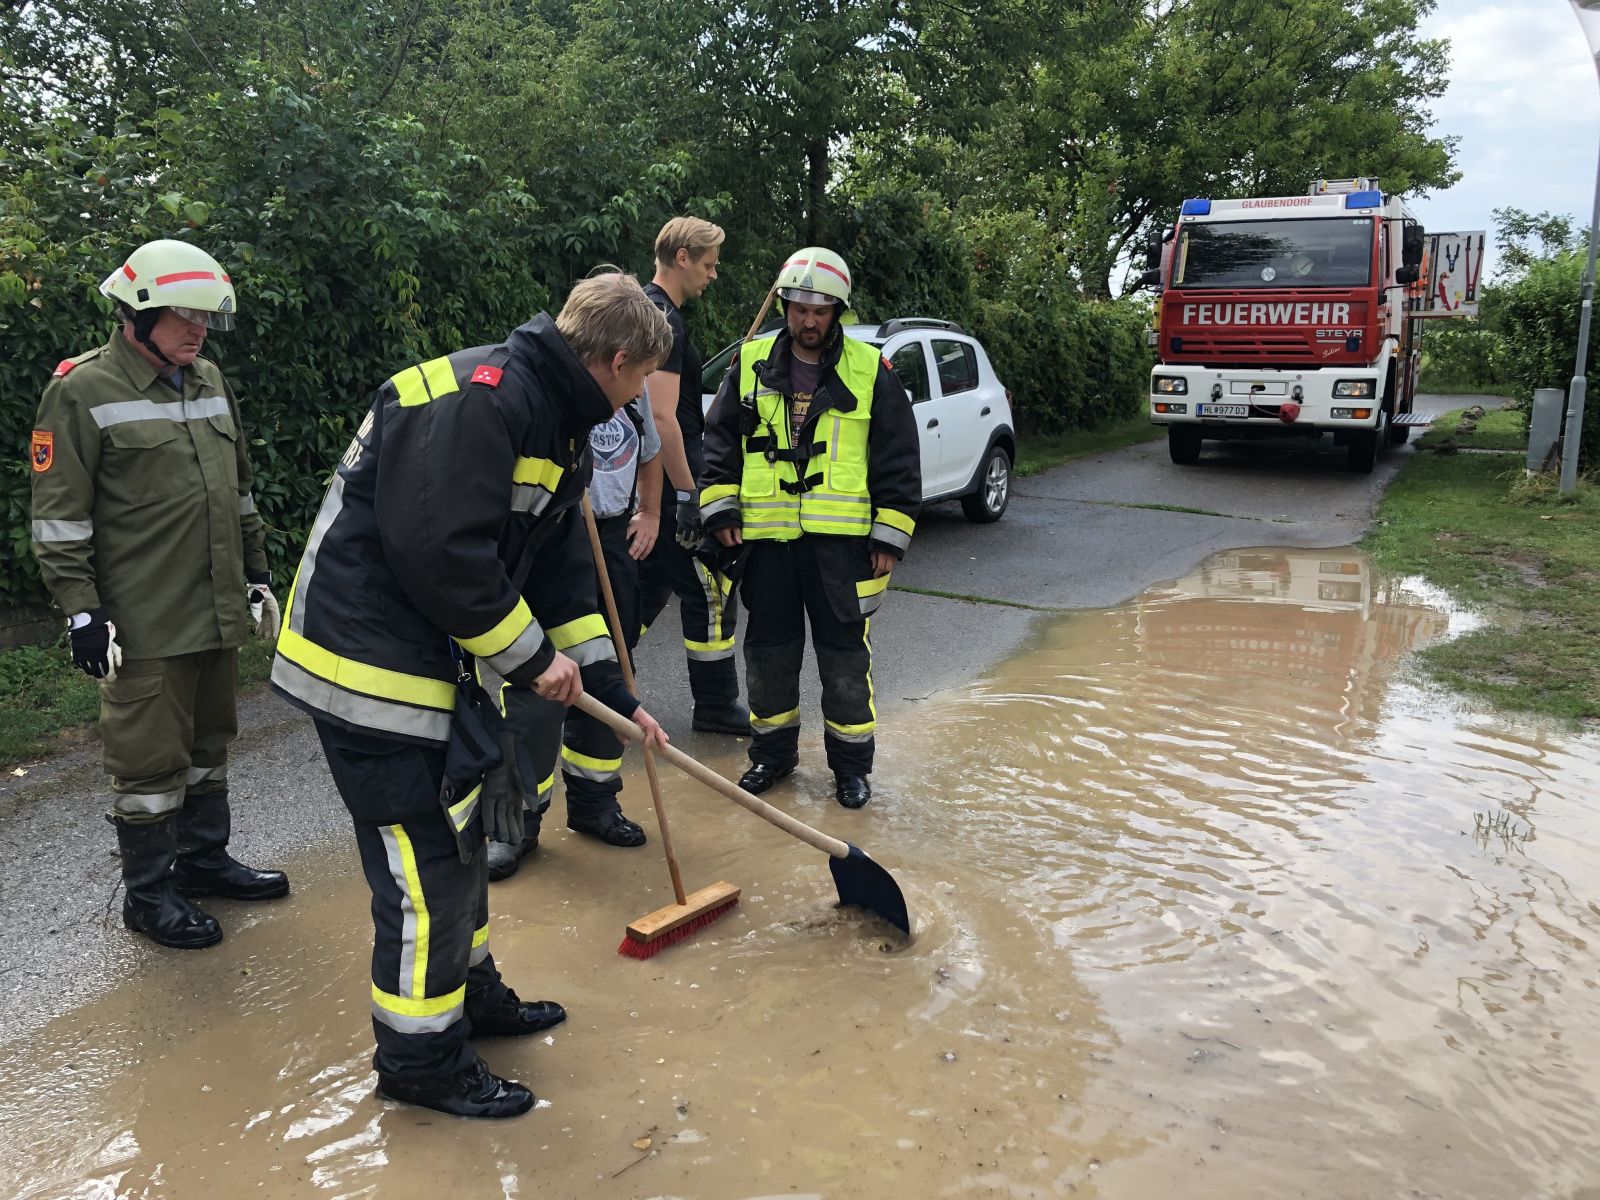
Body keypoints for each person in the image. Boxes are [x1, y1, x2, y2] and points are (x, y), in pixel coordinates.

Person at [270, 273, 673, 1119]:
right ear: (616, 360)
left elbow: (560, 576)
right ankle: (420, 1063)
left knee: (458, 846)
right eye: (642, 377)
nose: (642, 395)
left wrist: (609, 689)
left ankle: (471, 996)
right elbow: (443, 556)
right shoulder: (480, 402)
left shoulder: (553, 417)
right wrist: (533, 661)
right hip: (367, 669)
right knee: (425, 872)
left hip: (426, 662)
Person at [30, 239, 288, 952]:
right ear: (138, 314)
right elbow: (59, 521)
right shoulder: (81, 390)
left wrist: (257, 575)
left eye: (207, 317)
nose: (199, 330)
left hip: (215, 608)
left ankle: (204, 863)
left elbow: (238, 493)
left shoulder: (208, 379)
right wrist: (84, 612)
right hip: (143, 620)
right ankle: (148, 898)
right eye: (185, 315)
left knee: (209, 744)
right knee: (148, 763)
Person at [699, 247, 920, 809]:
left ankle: (851, 769)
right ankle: (772, 757)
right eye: (800, 308)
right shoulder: (749, 362)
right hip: (767, 543)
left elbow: (898, 457)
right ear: (785, 306)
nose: (809, 320)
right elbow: (718, 442)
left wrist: (889, 537)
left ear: (837, 311)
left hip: (841, 548)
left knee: (845, 660)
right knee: (769, 656)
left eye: (820, 310)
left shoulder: (870, 370)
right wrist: (721, 511)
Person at [485, 381, 664, 881]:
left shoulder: (636, 388)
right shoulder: (554, 387)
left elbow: (651, 451)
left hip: (613, 536)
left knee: (610, 669)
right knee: (538, 681)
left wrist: (650, 513)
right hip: (553, 534)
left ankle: (594, 801)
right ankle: (518, 823)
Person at [636, 217, 750, 733]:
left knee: (644, 588)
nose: (713, 275)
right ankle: (717, 705)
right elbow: (661, 419)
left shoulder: (645, 308)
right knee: (709, 586)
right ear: (681, 257)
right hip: (672, 479)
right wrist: (686, 495)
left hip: (653, 481)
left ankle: (595, 686)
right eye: (708, 264)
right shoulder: (664, 320)